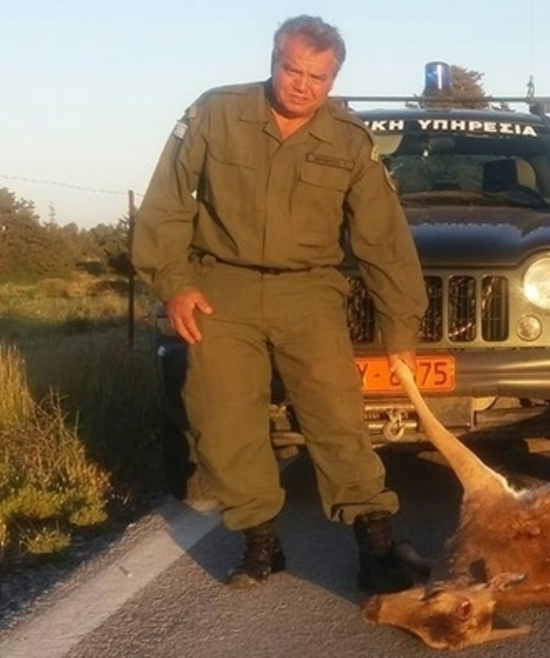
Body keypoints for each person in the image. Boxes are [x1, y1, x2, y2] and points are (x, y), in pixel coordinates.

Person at [131, 15, 428, 593]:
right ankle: (261, 542)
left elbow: (383, 241)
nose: (302, 85)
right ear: (273, 60)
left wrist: (401, 335)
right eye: (292, 69)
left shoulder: (347, 140)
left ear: (333, 76)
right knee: (223, 422)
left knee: (337, 418)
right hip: (222, 289)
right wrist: (174, 283)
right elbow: (166, 202)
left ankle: (377, 546)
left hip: (308, 291)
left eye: (318, 76)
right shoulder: (216, 113)